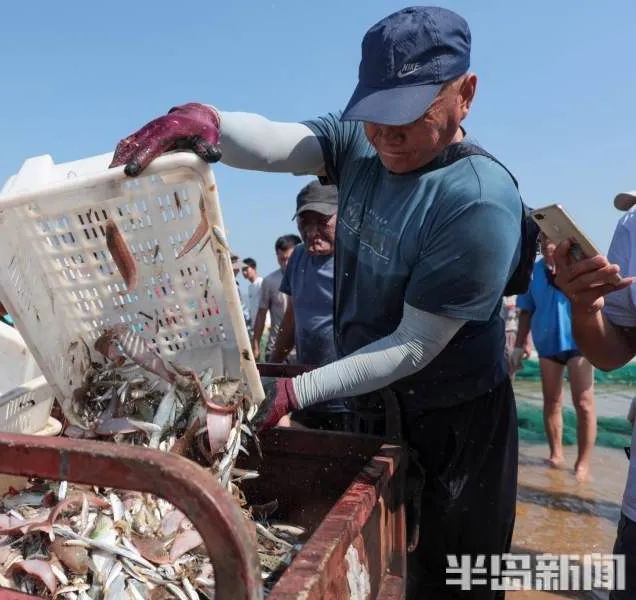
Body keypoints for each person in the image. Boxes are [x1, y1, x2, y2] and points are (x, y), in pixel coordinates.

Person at [110, 8, 523, 598]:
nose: (385, 136)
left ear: (466, 94)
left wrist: (294, 392)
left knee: (455, 578)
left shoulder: (475, 201)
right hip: (373, 399)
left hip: (456, 416)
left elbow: (414, 345)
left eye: (409, 116)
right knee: (380, 560)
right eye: (376, 116)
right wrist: (213, 122)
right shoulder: (361, 139)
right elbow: (281, 142)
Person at [552, 190, 636, 599]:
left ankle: (582, 463)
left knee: (582, 404)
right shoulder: (634, 224)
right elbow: (613, 351)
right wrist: (585, 308)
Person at [515, 234, 596, 480]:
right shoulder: (534, 272)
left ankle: (583, 463)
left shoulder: (578, 265)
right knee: (552, 401)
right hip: (547, 342)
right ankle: (556, 453)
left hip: (580, 342)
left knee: (583, 403)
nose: (550, 247)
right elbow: (526, 310)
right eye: (545, 242)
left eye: (554, 241)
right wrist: (520, 343)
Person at [268, 182, 338, 368]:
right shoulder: (298, 255)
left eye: (323, 221)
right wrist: (273, 365)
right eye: (305, 222)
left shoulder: (358, 260)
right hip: (307, 374)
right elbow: (292, 315)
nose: (312, 232)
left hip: (349, 379)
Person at [252, 234, 301, 361]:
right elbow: (261, 314)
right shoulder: (269, 282)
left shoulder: (310, 278)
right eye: (282, 259)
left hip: (302, 350)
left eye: (289, 259)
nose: (286, 263)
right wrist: (256, 344)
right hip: (276, 350)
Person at [240, 258, 263, 330]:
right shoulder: (250, 287)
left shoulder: (261, 283)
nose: (244, 272)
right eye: (242, 270)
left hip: (264, 325)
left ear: (254, 268)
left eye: (246, 269)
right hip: (254, 326)